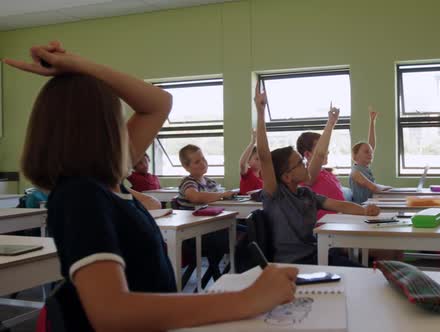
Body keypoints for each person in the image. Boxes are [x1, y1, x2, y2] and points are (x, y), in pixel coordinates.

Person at [7, 41, 297, 331]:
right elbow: (112, 312)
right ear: (103, 130)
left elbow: (159, 102)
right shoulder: (80, 195)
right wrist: (248, 299)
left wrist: (77, 64)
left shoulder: (105, 183)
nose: (124, 127)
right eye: (116, 119)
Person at [254, 81, 380, 265]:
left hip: (315, 256)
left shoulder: (306, 194)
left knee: (361, 270)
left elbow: (342, 206)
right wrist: (260, 112)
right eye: (299, 163)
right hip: (292, 266)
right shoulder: (276, 195)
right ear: (287, 176)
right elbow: (265, 157)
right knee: (360, 271)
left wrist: (365, 211)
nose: (305, 164)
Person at [296, 104, 346, 219]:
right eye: (321, 147)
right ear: (307, 154)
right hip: (326, 227)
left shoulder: (326, 173)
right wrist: (331, 123)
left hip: (340, 220)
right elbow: (320, 154)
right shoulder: (307, 175)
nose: (326, 151)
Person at [349, 108, 392, 204]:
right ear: (355, 156)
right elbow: (374, 187)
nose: (370, 154)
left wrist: (372, 121)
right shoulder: (356, 173)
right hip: (362, 209)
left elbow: (371, 145)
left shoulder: (364, 168)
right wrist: (390, 189)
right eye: (366, 152)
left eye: (371, 152)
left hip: (371, 204)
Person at [176, 144, 236, 208]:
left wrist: (228, 195)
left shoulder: (210, 182)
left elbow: (217, 196)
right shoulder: (188, 182)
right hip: (194, 216)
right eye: (197, 162)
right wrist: (222, 195)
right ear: (186, 167)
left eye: (203, 158)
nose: (203, 163)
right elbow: (195, 197)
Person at [239, 129, 263, 195]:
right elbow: (242, 164)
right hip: (247, 205)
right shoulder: (248, 173)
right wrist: (252, 143)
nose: (260, 161)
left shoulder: (263, 176)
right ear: (248, 161)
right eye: (257, 159)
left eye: (261, 159)